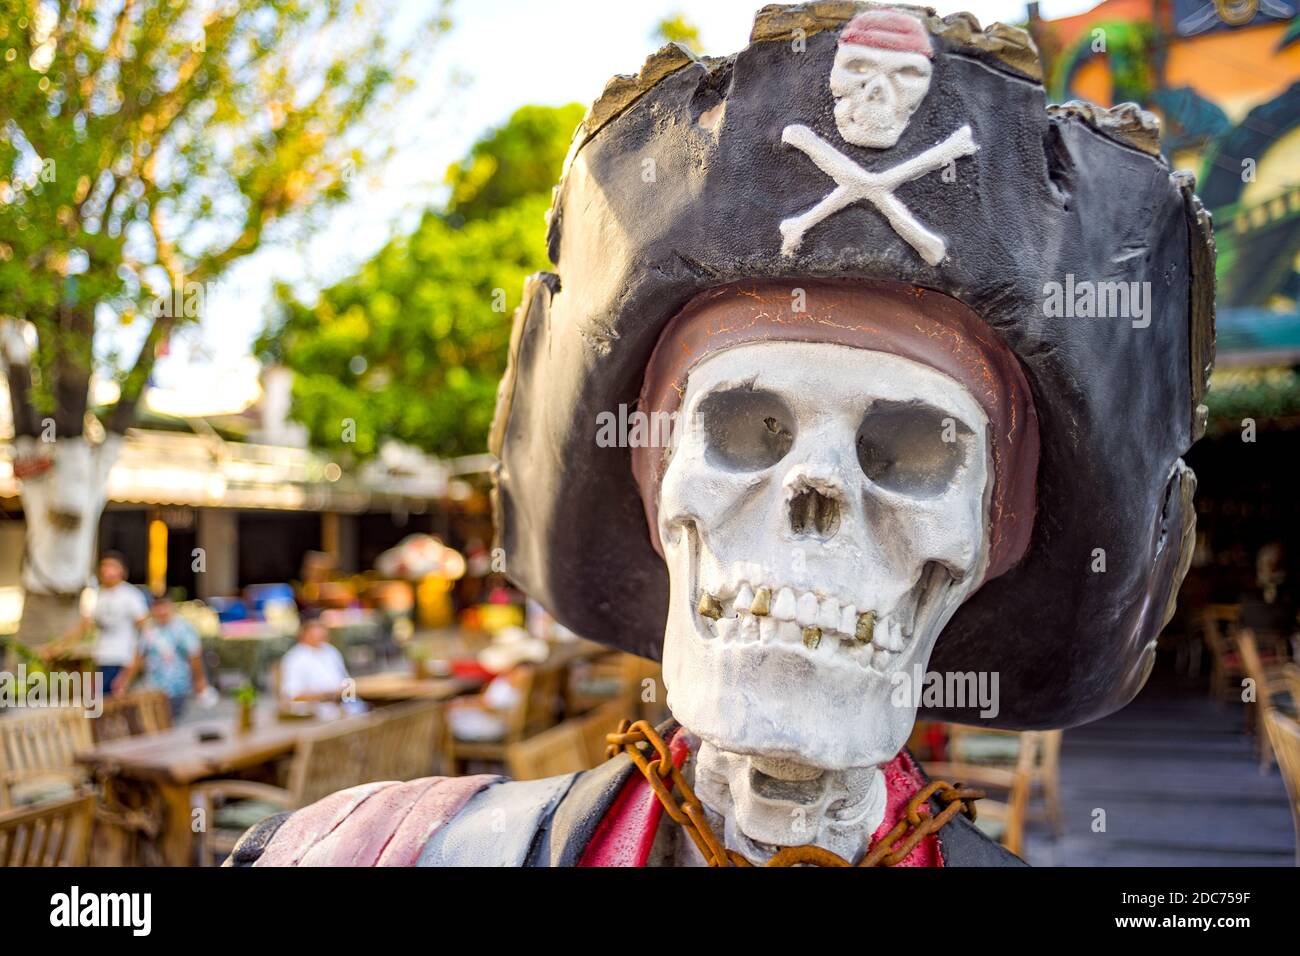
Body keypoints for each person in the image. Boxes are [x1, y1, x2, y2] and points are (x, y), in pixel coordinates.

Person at [231, 5, 1214, 867]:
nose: (813, 494)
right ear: (659, 493)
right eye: (747, 430)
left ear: (993, 536)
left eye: (910, 453)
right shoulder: (377, 852)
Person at [64, 553, 149, 696]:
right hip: (99, 657)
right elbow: (84, 627)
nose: (106, 570)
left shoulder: (130, 595)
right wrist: (58, 647)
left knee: (110, 703)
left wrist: (134, 665)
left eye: (111, 566)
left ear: (122, 571)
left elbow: (145, 630)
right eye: (104, 566)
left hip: (122, 658)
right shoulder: (94, 595)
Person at [117, 595, 209, 717]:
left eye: (163, 607)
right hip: (153, 688)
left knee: (171, 722)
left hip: (177, 687)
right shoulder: (148, 629)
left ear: (170, 607)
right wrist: (124, 680)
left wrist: (199, 681)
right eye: (157, 608)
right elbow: (139, 657)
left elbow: (194, 656)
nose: (161, 612)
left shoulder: (183, 628)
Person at [278, 617, 364, 719]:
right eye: (315, 636)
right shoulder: (294, 658)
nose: (320, 639)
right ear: (304, 636)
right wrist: (325, 695)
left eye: (322, 636)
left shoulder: (330, 651)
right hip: (314, 711)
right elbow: (291, 694)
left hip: (343, 704)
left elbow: (346, 680)